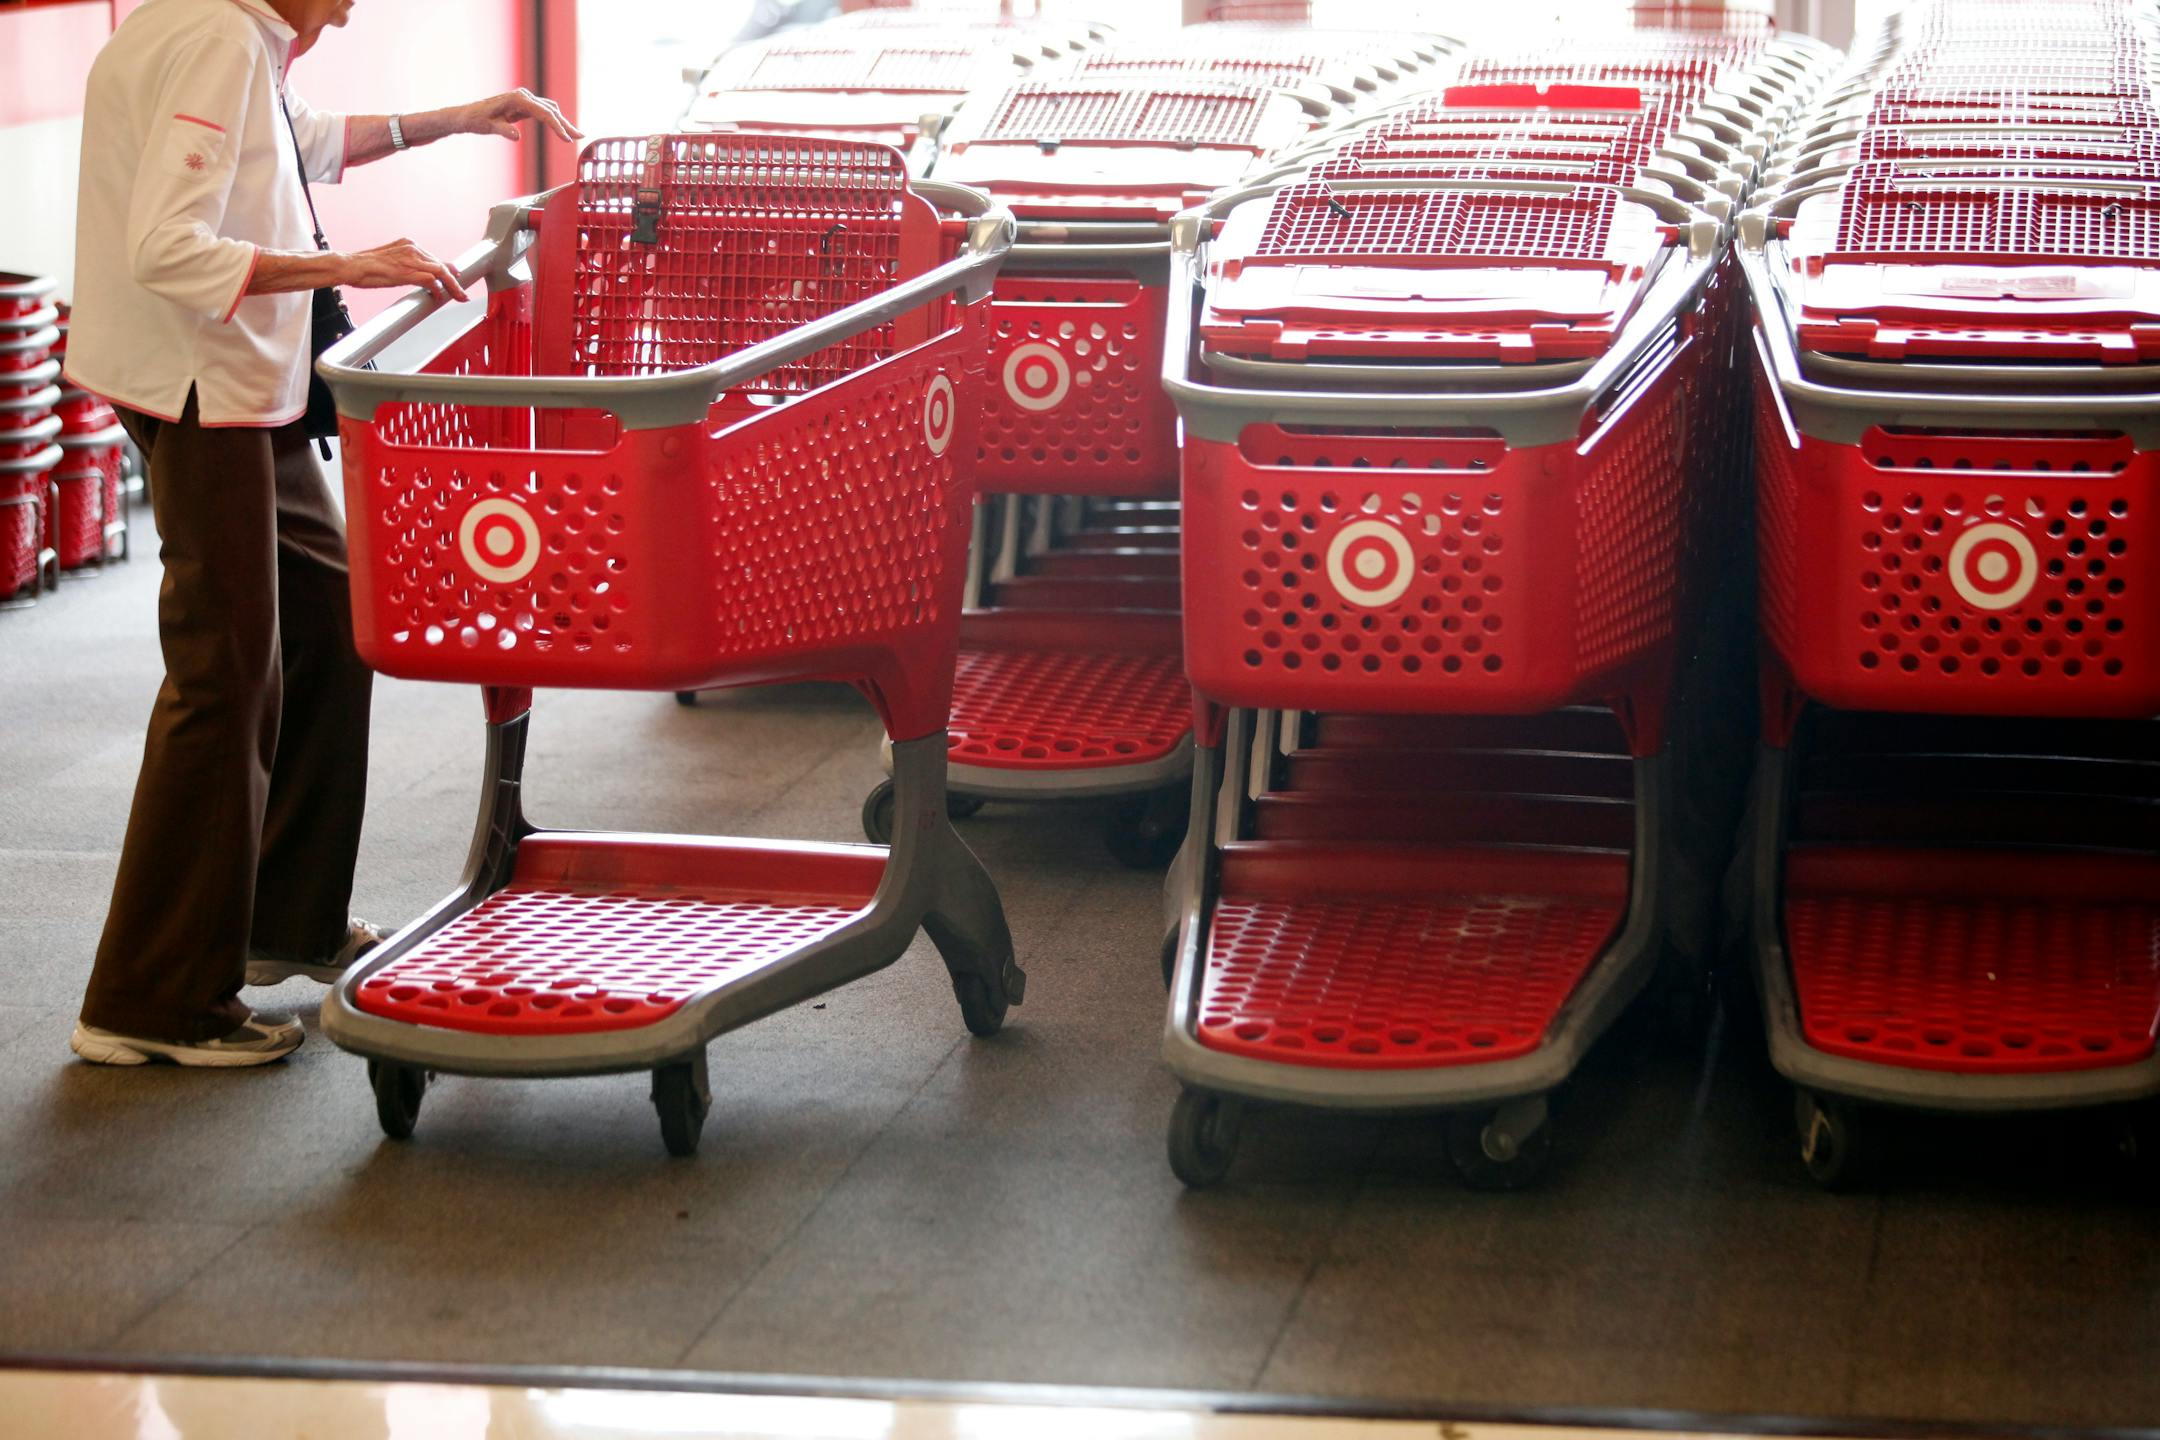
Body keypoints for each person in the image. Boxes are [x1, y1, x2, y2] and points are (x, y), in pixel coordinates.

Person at [61, 0, 580, 1066]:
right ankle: (149, 1001)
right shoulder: (213, 38)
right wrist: (344, 270)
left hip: (245, 380)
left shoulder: (227, 30)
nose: (350, 9)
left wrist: (459, 117)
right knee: (227, 676)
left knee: (337, 615)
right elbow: (167, 245)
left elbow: (302, 142)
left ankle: (279, 921)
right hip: (199, 385)